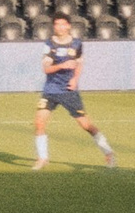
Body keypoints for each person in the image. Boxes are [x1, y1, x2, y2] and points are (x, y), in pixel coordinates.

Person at [31, 13, 116, 171]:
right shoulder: (49, 44)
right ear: (54, 26)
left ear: (69, 26)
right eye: (57, 24)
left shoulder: (76, 44)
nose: (60, 28)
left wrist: (75, 79)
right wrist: (61, 66)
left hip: (68, 91)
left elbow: (79, 64)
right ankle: (42, 158)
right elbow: (46, 68)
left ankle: (108, 152)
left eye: (63, 24)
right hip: (50, 90)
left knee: (86, 125)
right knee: (39, 123)